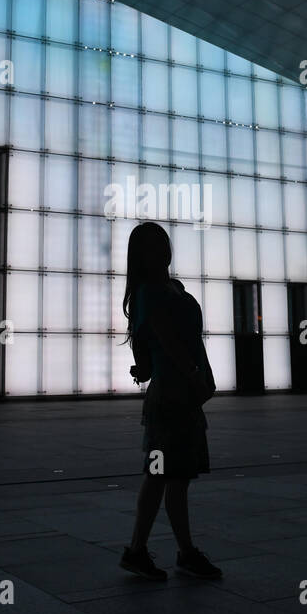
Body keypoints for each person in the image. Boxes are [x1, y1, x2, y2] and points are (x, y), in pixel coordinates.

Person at [120, 222, 220, 582]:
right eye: (152, 244)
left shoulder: (170, 289)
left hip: (183, 395)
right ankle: (143, 550)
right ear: (142, 255)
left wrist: (197, 377)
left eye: (162, 240)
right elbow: (167, 341)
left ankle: (179, 551)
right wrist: (194, 374)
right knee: (162, 475)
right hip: (172, 396)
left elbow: (167, 347)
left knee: (174, 477)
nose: (162, 248)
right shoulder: (151, 292)